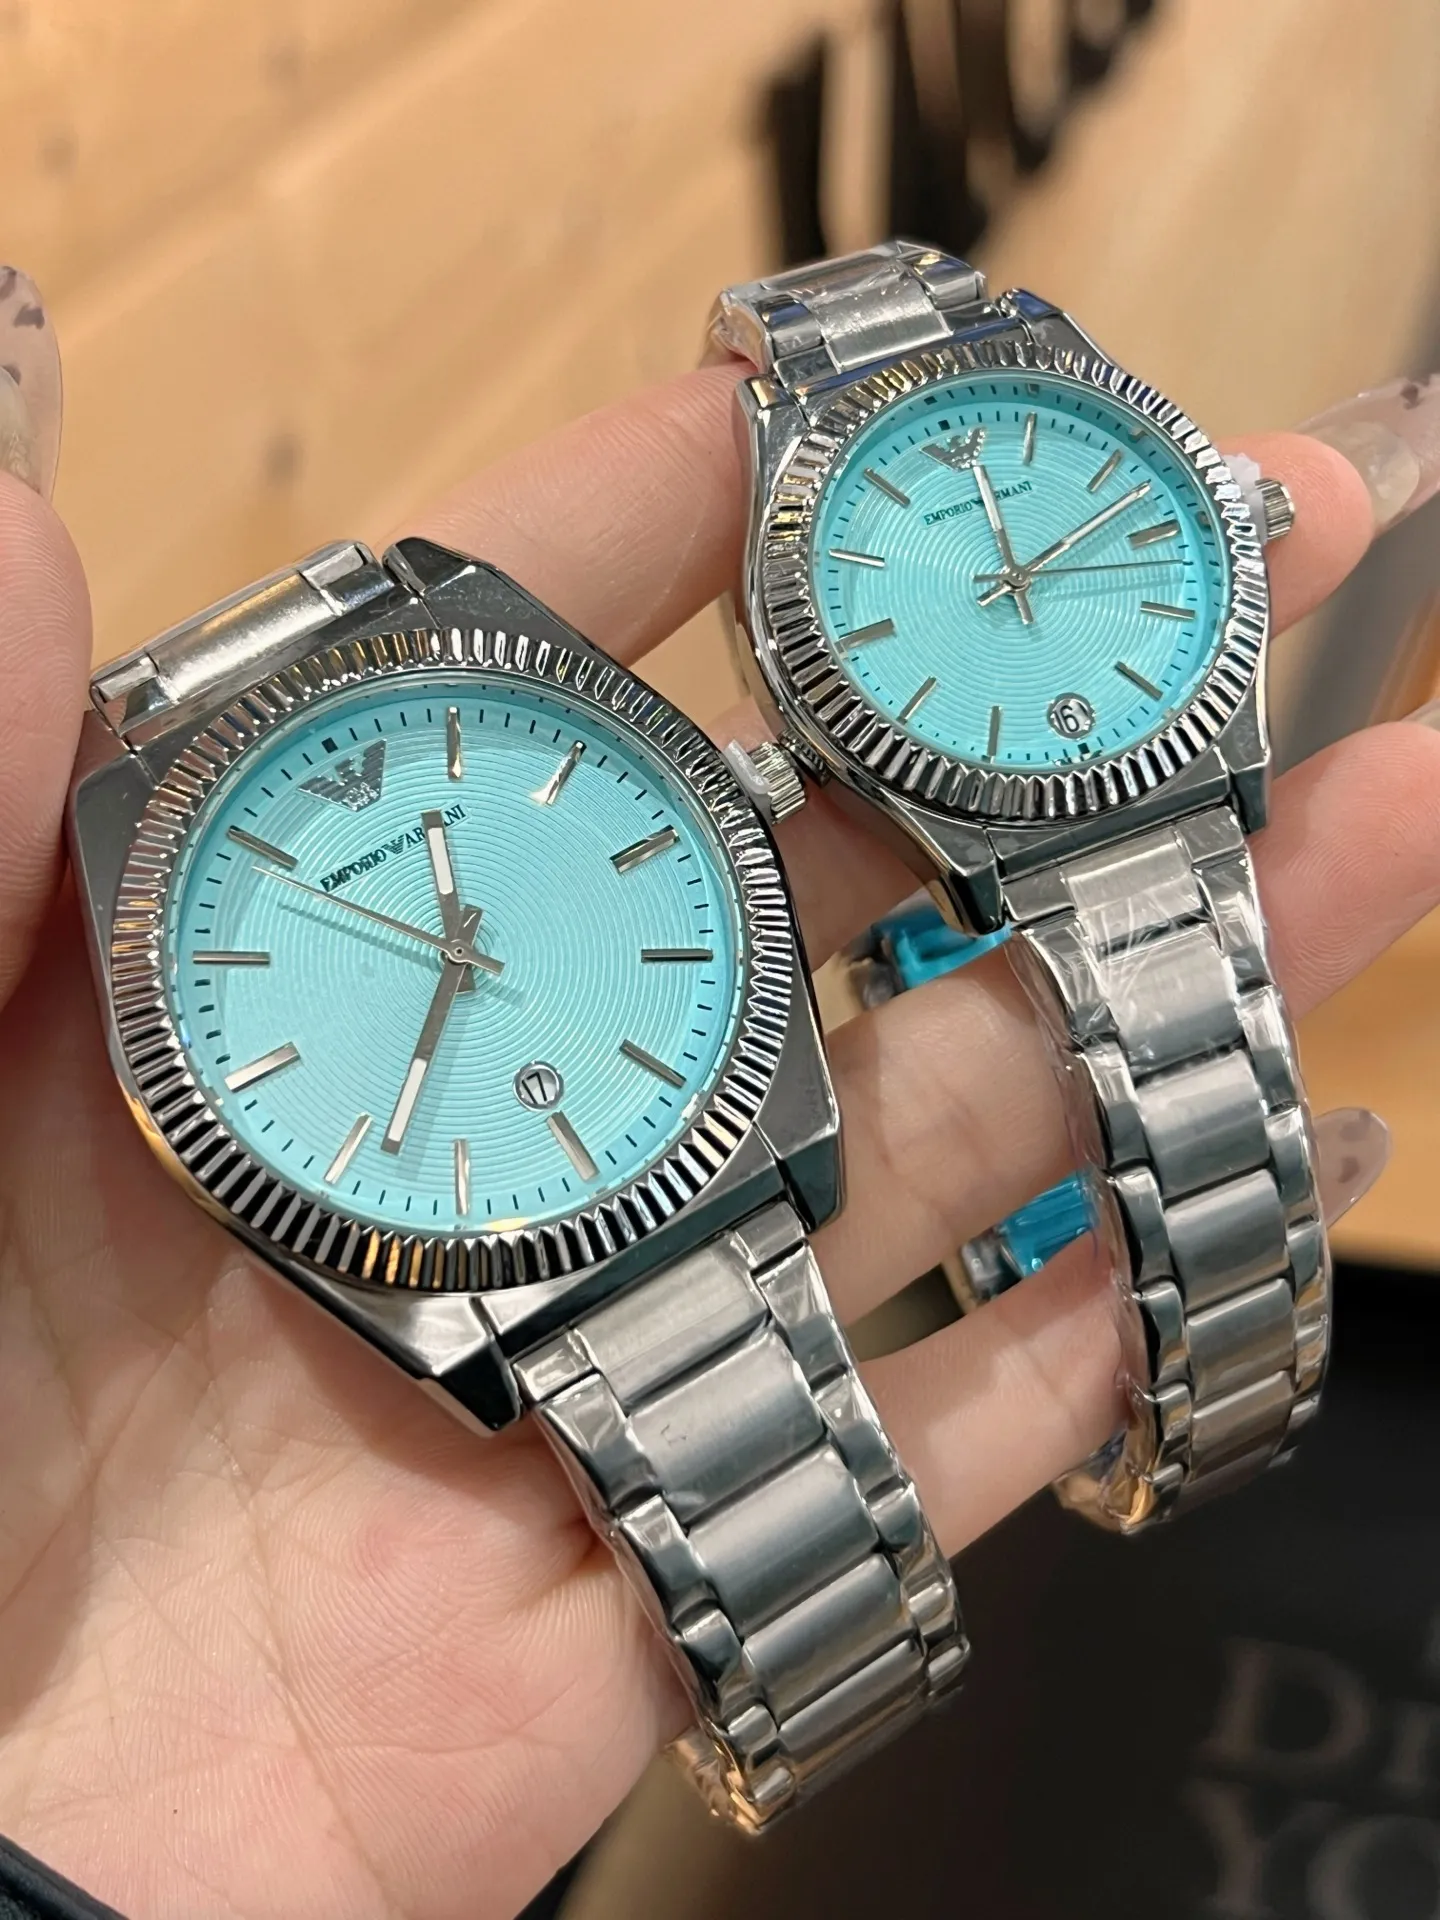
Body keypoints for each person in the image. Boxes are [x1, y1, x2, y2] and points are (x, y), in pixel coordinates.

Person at [0, 353, 1436, 1920]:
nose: (461, 947)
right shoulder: (159, 921)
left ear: (718, 787)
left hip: (682, 1105)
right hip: (500, 1259)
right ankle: (810, 1680)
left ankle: (812, 1681)